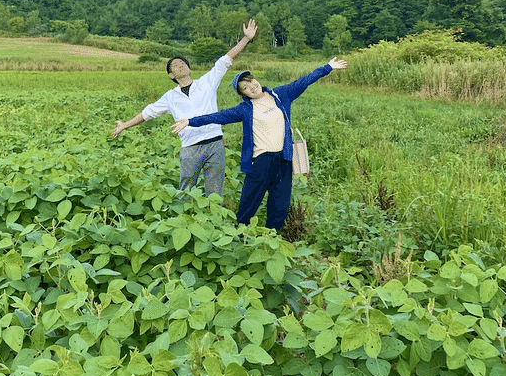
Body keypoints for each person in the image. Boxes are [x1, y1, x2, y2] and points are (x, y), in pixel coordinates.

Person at [171, 57, 347, 231]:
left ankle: (272, 237)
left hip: (284, 159)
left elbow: (304, 81)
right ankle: (240, 234)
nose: (252, 87)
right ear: (243, 95)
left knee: (280, 202)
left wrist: (328, 67)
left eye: (251, 81)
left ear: (256, 80)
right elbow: (216, 116)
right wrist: (190, 121)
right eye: (245, 88)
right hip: (260, 161)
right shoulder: (244, 109)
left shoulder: (280, 95)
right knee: (249, 202)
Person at [111, 19, 258, 196]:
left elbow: (225, 59)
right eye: (175, 65)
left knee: (214, 193)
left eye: (182, 62)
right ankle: (183, 222)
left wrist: (246, 39)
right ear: (171, 75)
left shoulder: (207, 82)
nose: (180, 65)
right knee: (185, 192)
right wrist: (125, 125)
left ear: (188, 67)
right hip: (190, 148)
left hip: (215, 144)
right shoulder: (170, 97)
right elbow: (147, 113)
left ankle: (214, 223)